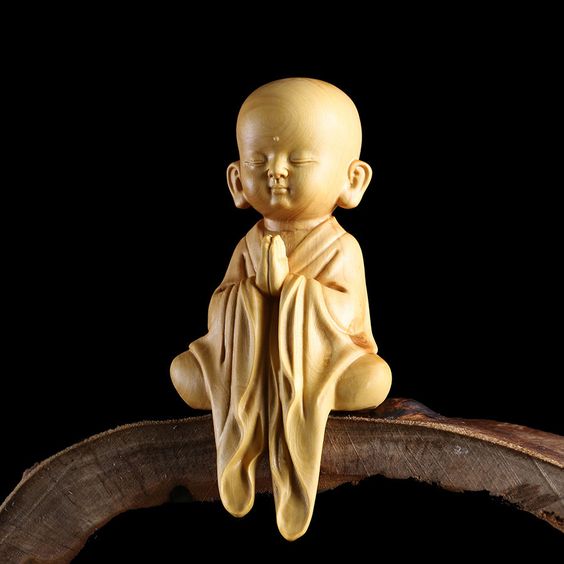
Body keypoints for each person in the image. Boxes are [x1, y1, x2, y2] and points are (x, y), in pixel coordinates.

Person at [170, 78, 392, 540]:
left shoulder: (341, 248)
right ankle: (249, 416)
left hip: (322, 368)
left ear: (352, 180)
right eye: (259, 160)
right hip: (248, 372)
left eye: (299, 160)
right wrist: (251, 295)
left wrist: (292, 292)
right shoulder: (249, 244)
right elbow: (220, 307)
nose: (275, 171)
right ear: (237, 180)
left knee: (373, 379)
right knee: (185, 370)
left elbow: (349, 316)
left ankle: (289, 410)